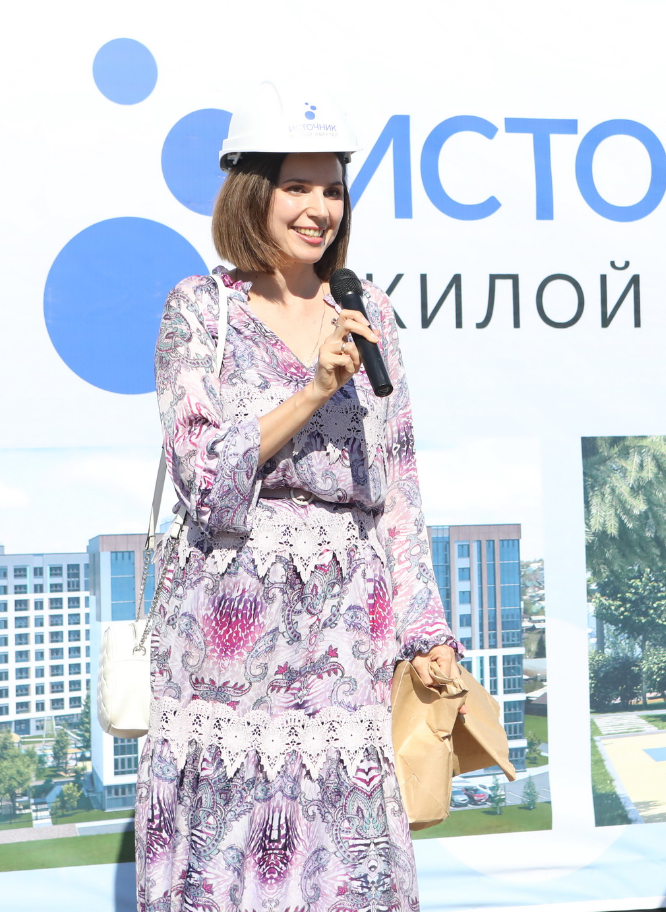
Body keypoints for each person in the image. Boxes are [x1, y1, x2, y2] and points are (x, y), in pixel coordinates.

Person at [137, 82, 458, 912]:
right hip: (228, 635)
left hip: (347, 631)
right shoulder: (200, 310)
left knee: (342, 860)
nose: (320, 209)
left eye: (333, 189)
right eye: (297, 187)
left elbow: (399, 488)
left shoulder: (369, 308)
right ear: (253, 191)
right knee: (231, 851)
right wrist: (313, 389)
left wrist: (425, 631)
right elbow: (205, 481)